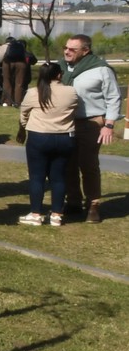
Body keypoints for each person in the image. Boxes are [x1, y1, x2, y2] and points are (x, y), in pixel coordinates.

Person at [62, 34, 122, 223]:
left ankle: (93, 203)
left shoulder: (101, 69)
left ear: (85, 51)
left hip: (92, 123)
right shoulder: (62, 67)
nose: (67, 52)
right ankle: (73, 200)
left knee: (88, 164)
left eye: (72, 49)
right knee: (68, 163)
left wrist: (109, 125)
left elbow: (113, 97)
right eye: (65, 48)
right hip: (65, 122)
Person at [18, 62, 77, 226]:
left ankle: (36, 214)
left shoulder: (33, 92)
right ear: (59, 75)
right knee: (58, 177)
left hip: (39, 136)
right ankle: (57, 215)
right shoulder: (70, 91)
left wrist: (25, 126)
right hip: (64, 136)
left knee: (37, 177)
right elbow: (76, 109)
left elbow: (23, 114)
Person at [1, 36, 31, 107]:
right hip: (21, 63)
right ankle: (18, 101)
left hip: (7, 63)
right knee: (19, 83)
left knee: (7, 82)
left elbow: (1, 57)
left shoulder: (8, 46)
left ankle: (7, 101)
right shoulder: (21, 47)